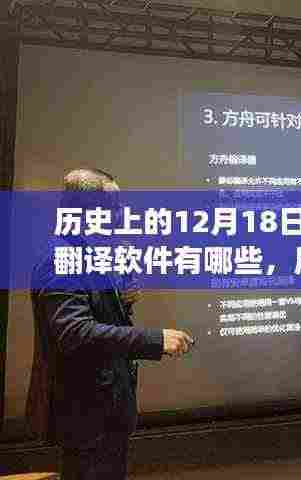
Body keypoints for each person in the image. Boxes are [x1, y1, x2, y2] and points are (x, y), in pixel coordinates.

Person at [25, 168, 194, 479]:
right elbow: (75, 332)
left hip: (104, 408)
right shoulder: (59, 258)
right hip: (84, 414)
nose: (120, 214)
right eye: (113, 206)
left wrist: (123, 300)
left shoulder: (89, 252)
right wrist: (155, 340)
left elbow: (96, 315)